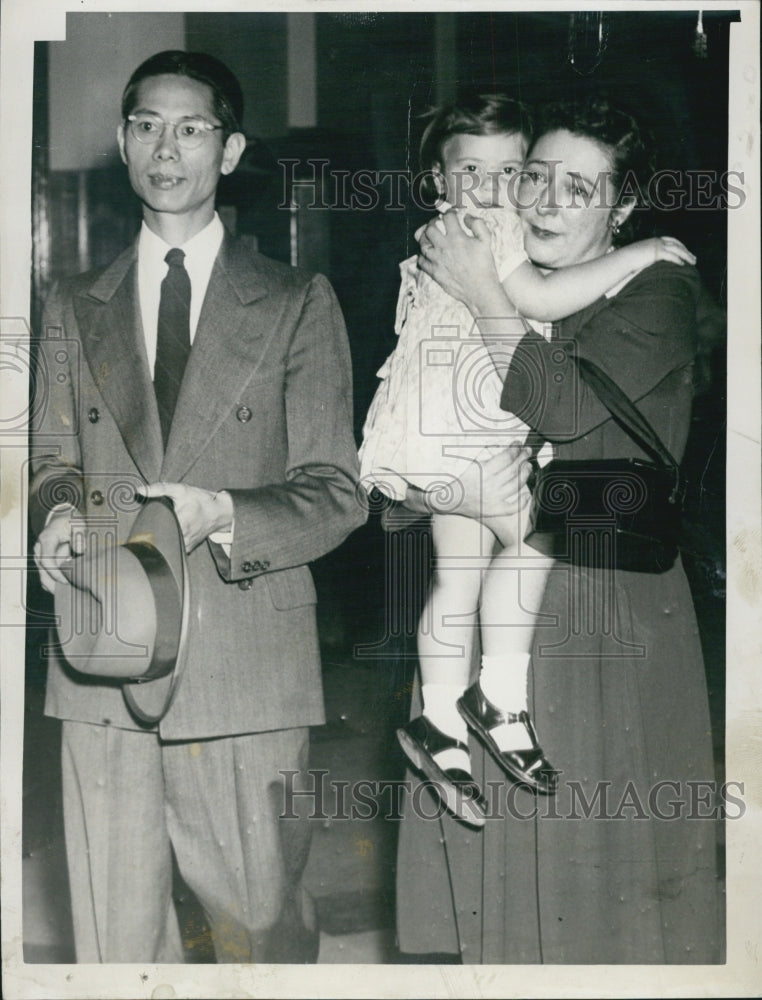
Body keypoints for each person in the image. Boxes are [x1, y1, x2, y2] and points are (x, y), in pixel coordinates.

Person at [29, 50, 364, 963]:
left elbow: (337, 493)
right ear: (121, 142)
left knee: (257, 932)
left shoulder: (297, 302)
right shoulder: (72, 303)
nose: (165, 148)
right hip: (103, 648)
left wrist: (222, 512)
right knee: (111, 938)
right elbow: (52, 457)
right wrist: (55, 517)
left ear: (231, 149)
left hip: (243, 664)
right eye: (145, 125)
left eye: (191, 128)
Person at [395, 96, 722, 963]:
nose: (542, 199)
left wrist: (479, 289)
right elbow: (409, 448)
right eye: (533, 175)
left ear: (621, 210)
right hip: (492, 617)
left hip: (599, 615)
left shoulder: (659, 286)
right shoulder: (491, 266)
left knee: (594, 900)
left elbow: (566, 406)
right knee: (497, 907)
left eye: (578, 189)